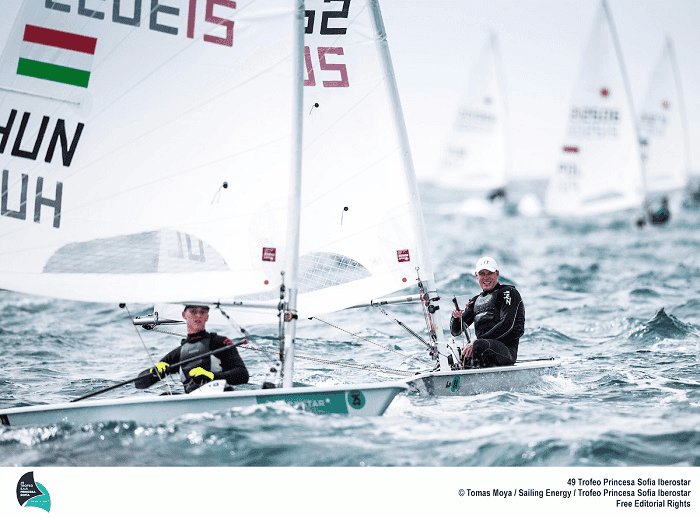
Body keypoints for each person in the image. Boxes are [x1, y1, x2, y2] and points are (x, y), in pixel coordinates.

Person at [135, 304, 249, 393]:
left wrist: (211, 376)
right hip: (193, 403)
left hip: (221, 396)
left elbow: (243, 375)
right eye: (194, 312)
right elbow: (139, 384)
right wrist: (154, 372)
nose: (198, 316)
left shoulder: (220, 343)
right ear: (184, 315)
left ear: (207, 316)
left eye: (202, 312)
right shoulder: (178, 353)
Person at [450, 256, 525, 368]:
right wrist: (456, 318)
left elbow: (507, 324)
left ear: (497, 274)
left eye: (490, 273)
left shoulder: (508, 292)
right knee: (453, 356)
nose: (486, 277)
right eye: (482, 274)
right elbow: (455, 331)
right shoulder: (475, 301)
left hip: (506, 352)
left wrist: (476, 342)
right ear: (476, 275)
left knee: (478, 345)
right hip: (481, 348)